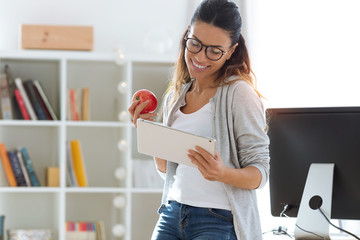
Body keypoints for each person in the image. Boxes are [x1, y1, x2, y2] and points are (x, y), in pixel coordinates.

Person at [128, 0, 270, 239]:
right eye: (195, 43)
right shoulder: (175, 96)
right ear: (187, 36)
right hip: (172, 211)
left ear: (232, 51)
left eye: (214, 50)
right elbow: (166, 168)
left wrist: (222, 173)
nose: (200, 57)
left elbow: (261, 172)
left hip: (217, 220)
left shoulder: (239, 94)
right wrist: (147, 130)